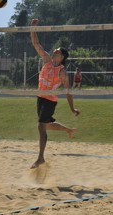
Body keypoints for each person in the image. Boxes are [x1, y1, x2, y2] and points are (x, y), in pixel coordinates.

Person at [30, 19, 80, 169]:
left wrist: (72, 108)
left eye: (57, 52)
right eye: (54, 51)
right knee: (46, 125)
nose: (54, 52)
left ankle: (40, 158)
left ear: (62, 57)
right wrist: (33, 29)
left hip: (50, 101)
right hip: (40, 97)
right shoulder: (47, 60)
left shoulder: (63, 72)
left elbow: (68, 92)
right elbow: (36, 44)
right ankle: (68, 129)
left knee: (41, 125)